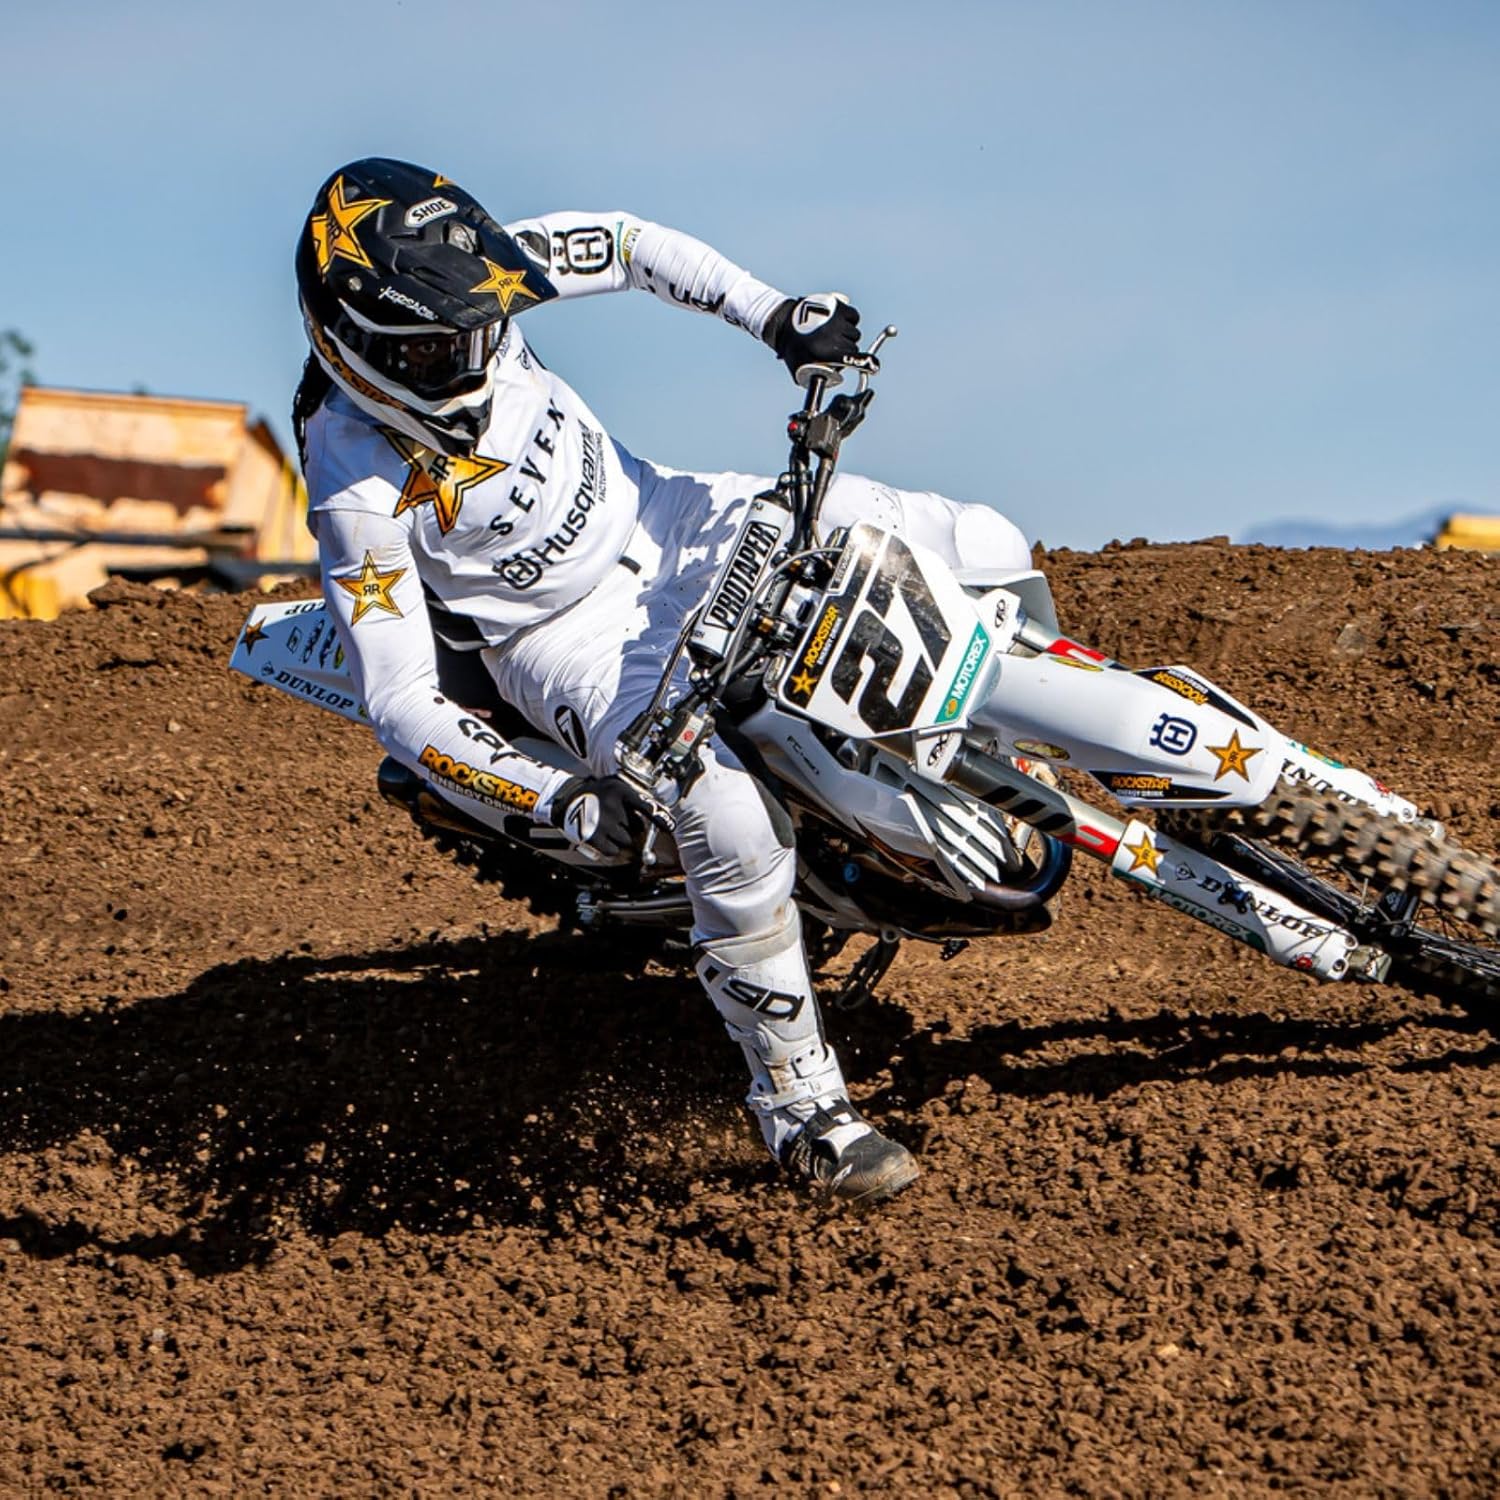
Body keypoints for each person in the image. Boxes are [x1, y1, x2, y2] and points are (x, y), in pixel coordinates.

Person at [293, 158, 1032, 1203]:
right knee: (727, 818)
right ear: (357, 342)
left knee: (976, 539)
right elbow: (402, 697)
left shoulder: (485, 276)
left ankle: (1026, 749)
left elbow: (629, 246)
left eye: (479, 332)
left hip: (670, 513)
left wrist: (776, 315)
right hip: (564, 640)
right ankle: (801, 1109)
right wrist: (554, 799)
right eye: (434, 348)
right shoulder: (351, 477)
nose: (472, 355)